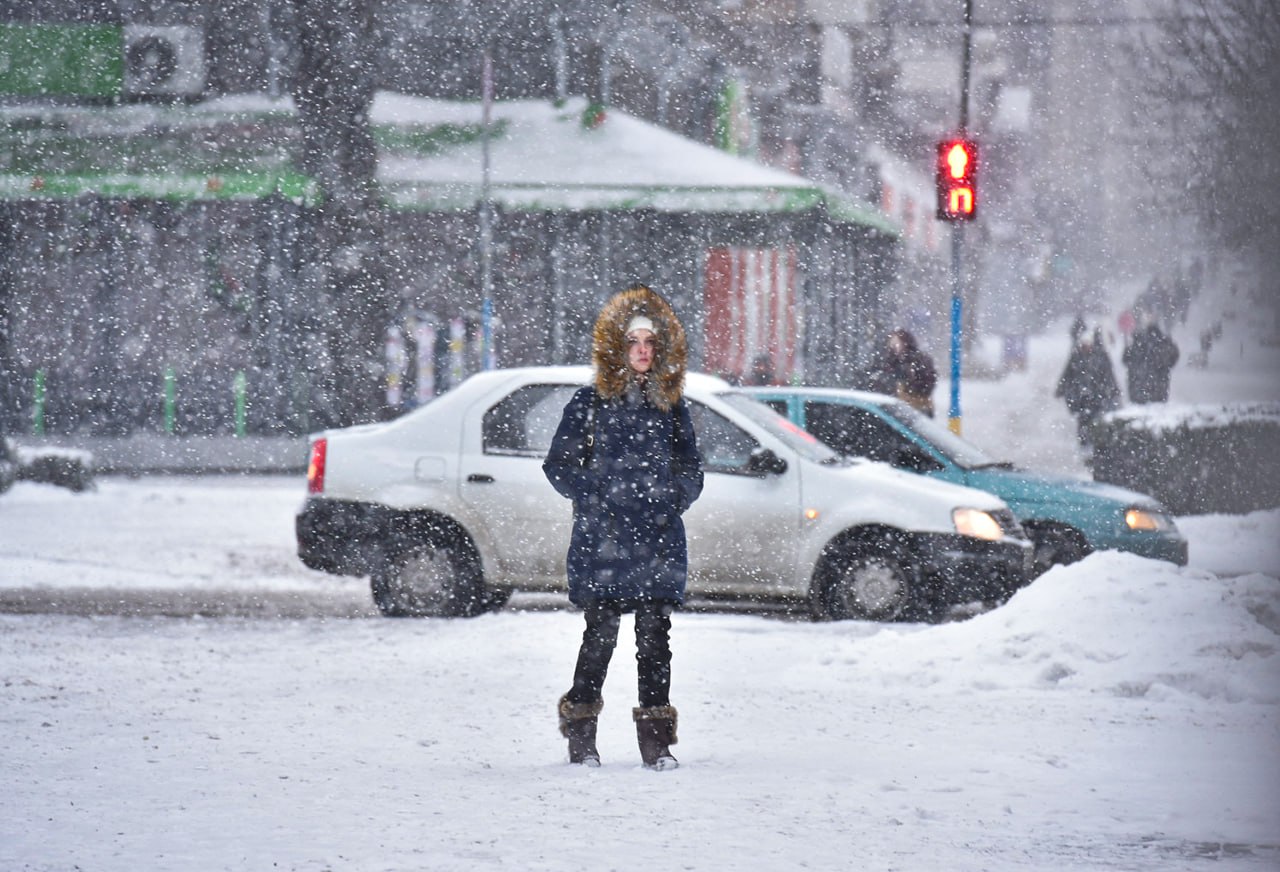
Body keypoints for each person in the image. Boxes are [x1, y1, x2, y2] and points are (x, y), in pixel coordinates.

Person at [542, 284, 704, 770]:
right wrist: (597, 498)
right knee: (601, 636)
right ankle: (582, 736)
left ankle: (656, 744)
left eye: (649, 342)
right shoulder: (588, 402)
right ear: (617, 347)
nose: (641, 349)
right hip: (603, 542)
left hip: (656, 539)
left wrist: (672, 500)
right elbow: (558, 466)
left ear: (660, 350)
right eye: (633, 340)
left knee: (655, 638)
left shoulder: (671, 406)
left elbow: (691, 468)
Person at [1055, 326, 1121, 448]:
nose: (1086, 346)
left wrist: (1113, 389)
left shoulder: (1101, 356)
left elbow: (1108, 374)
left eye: (1088, 343)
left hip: (1097, 394)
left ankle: (1095, 441)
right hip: (1081, 396)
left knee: (1096, 418)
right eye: (1084, 344)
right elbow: (1068, 373)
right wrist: (1061, 388)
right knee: (1083, 419)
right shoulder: (1076, 356)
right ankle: (1084, 441)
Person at [874, 328, 938, 416]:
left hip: (918, 406)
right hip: (898, 408)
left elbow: (928, 383)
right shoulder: (890, 360)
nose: (894, 346)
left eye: (897, 342)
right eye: (892, 343)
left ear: (905, 342)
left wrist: (909, 386)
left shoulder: (919, 359)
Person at [1123, 315, 1179, 403]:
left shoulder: (1138, 343)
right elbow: (1174, 355)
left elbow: (1125, 359)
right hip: (1160, 388)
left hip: (1138, 387)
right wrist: (1167, 366)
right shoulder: (1164, 342)